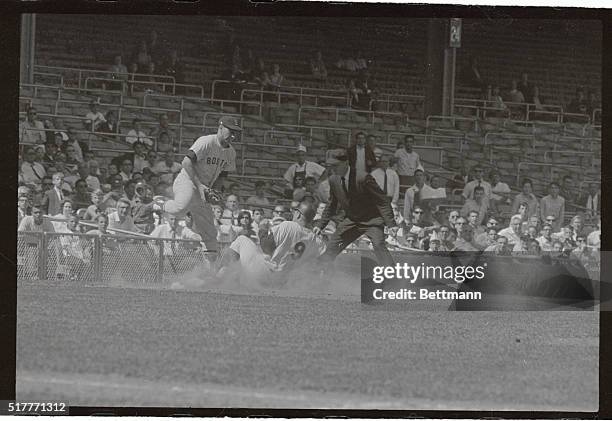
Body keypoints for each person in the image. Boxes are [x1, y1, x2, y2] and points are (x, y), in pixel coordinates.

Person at [153, 116, 239, 254]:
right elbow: (186, 163)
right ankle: (159, 203)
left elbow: (223, 175)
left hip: (204, 189)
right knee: (179, 209)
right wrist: (200, 187)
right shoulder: (206, 142)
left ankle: (210, 272)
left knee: (210, 233)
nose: (234, 135)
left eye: (236, 132)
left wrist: (214, 192)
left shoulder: (231, 152)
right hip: (187, 181)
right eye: (231, 131)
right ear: (221, 127)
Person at [313, 150, 397, 266]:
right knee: (332, 245)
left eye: (336, 166)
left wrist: (391, 224)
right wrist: (320, 225)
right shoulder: (333, 180)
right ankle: (318, 272)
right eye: (331, 166)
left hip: (371, 220)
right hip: (352, 220)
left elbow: (382, 200)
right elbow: (331, 204)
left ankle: (392, 275)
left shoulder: (363, 178)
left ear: (346, 163)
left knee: (378, 245)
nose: (333, 169)